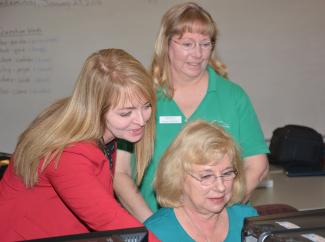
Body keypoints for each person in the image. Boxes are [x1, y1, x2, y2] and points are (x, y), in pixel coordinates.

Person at [114, 2, 269, 222]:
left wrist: (222, 215)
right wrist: (153, 225)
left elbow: (257, 165)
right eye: (187, 44)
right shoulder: (143, 97)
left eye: (205, 44)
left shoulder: (233, 96)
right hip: (155, 222)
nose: (197, 54)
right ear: (166, 45)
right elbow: (120, 175)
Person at [0, 49, 159, 241]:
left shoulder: (94, 125)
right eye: (126, 113)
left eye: (146, 106)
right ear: (95, 108)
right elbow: (110, 221)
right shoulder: (69, 154)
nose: (141, 121)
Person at [144, 120, 258, 242]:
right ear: (178, 178)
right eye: (206, 176)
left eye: (226, 173)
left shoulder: (247, 220)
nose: (221, 187)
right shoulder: (156, 232)